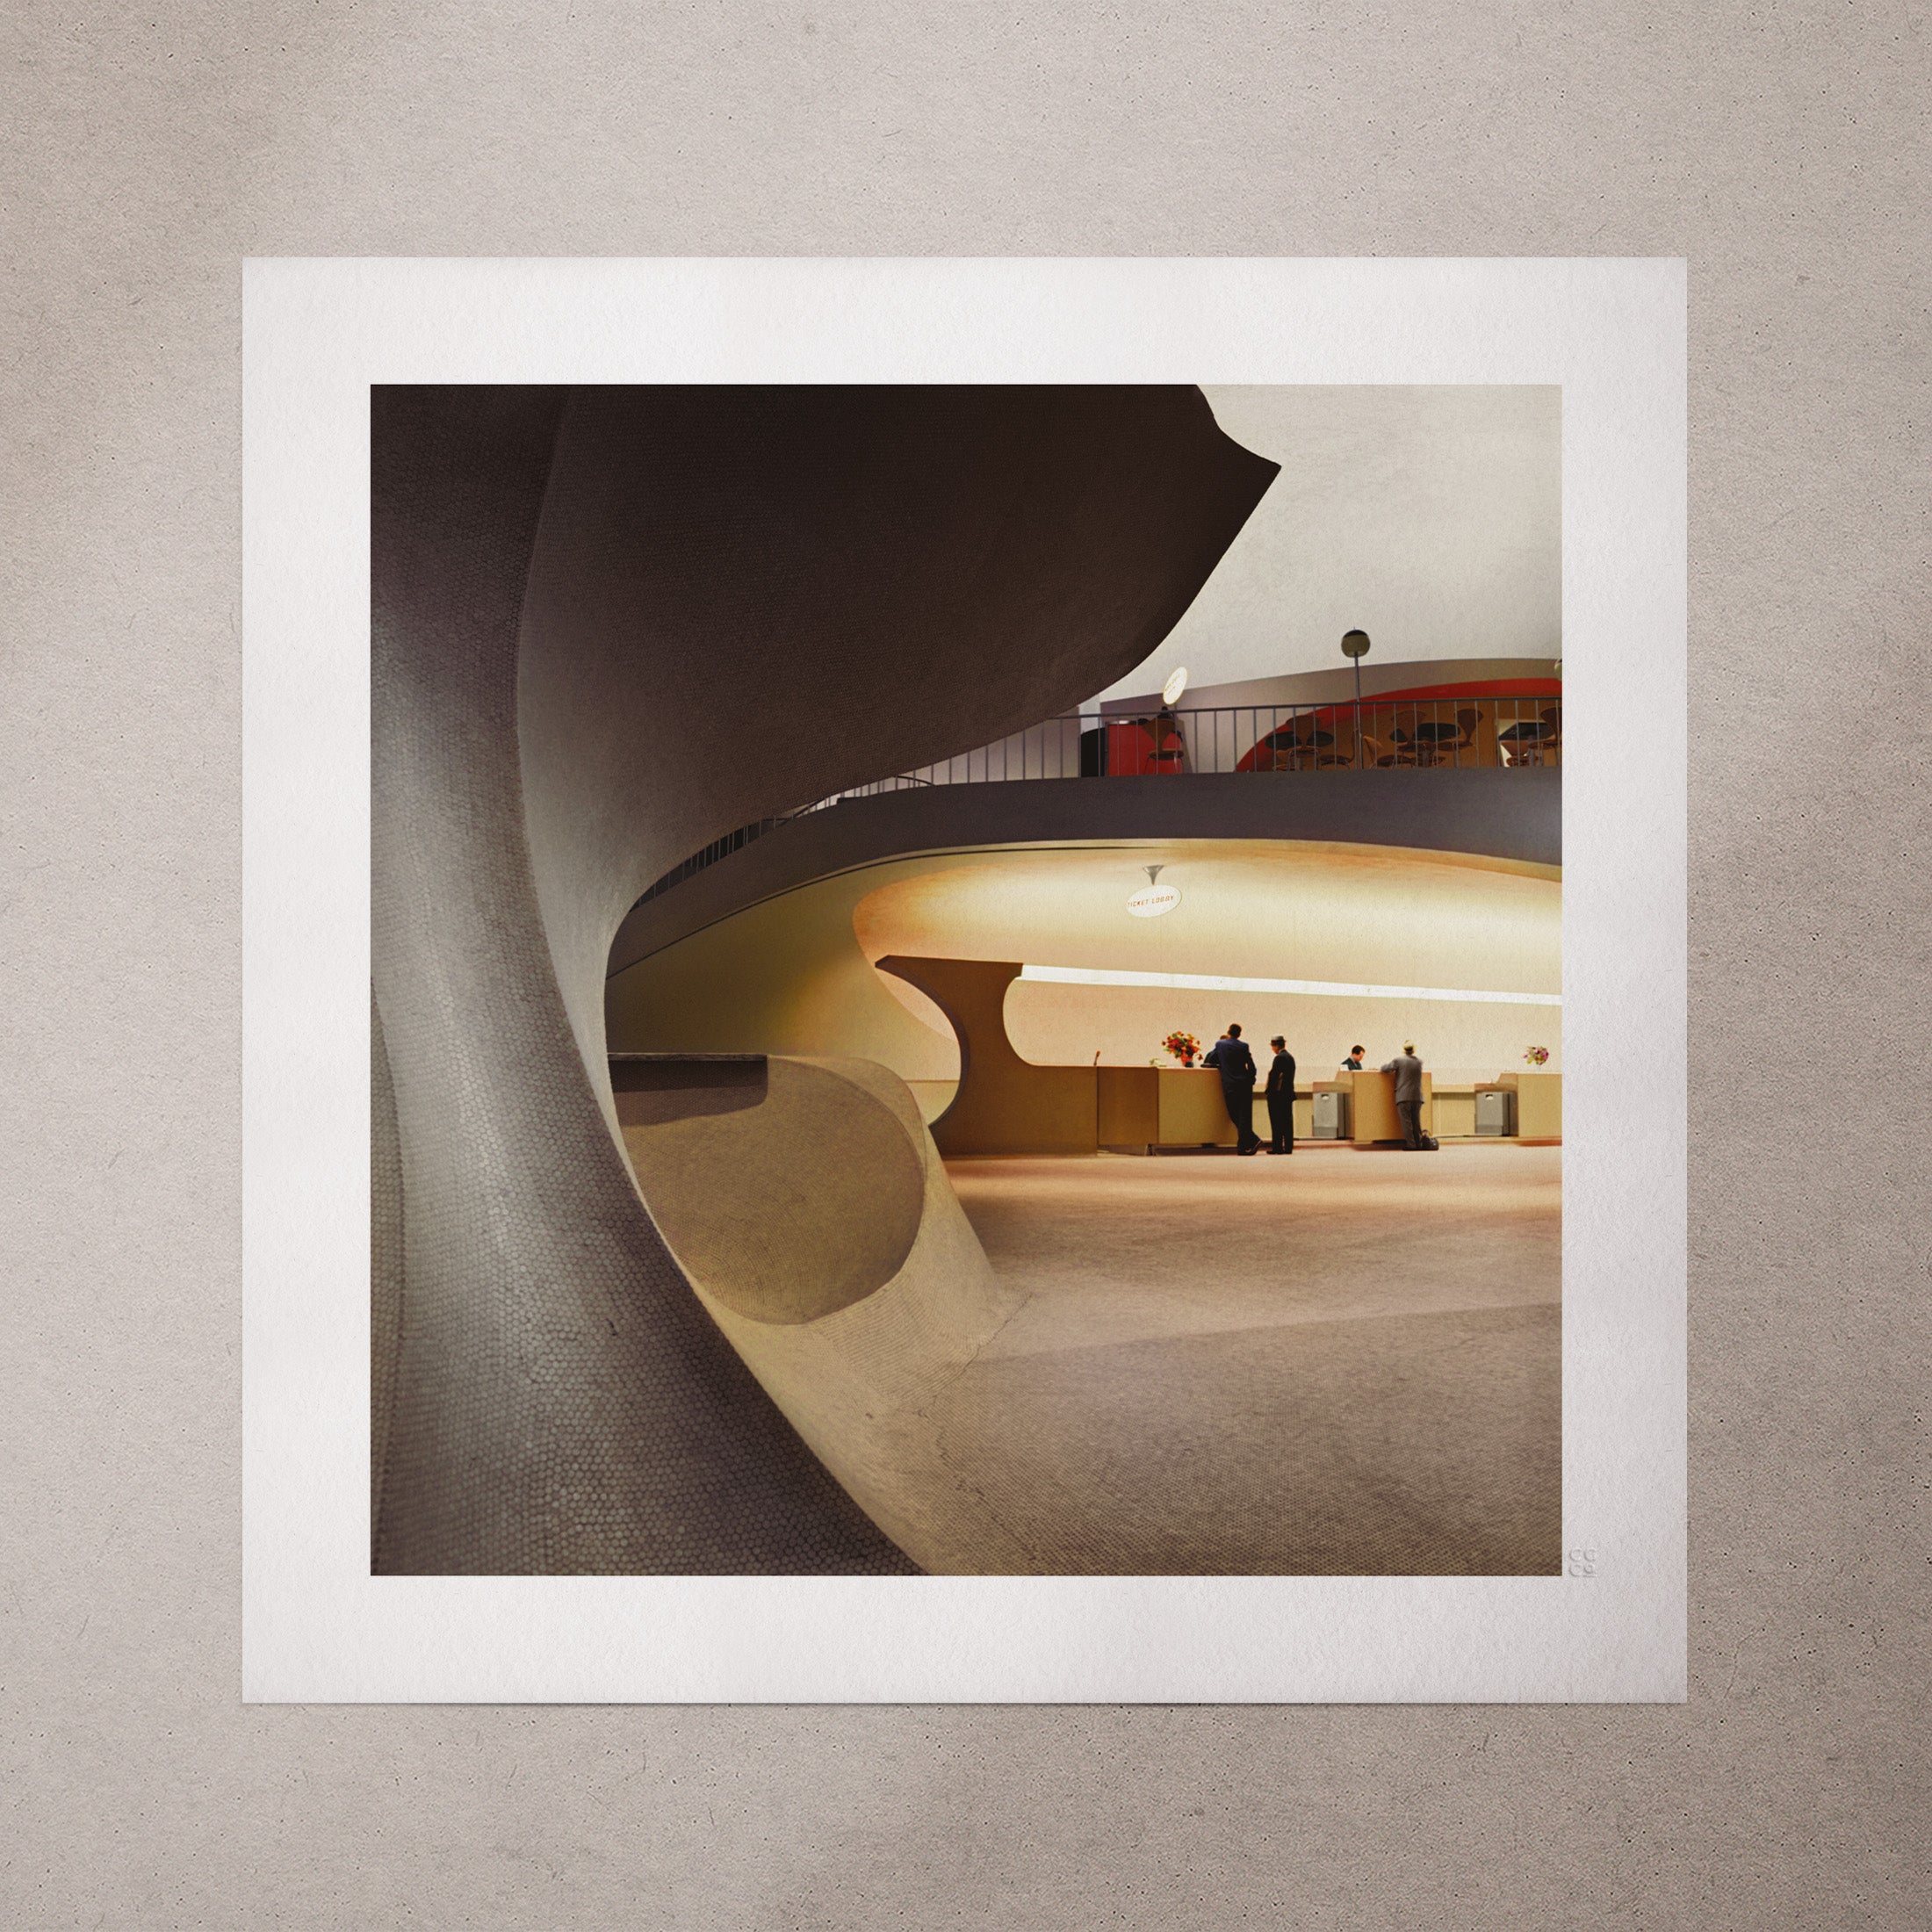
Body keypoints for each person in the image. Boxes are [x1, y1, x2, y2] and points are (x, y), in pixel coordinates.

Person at [1203, 1022, 1261, 1154]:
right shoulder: (1244, 1046)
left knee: (1234, 1114)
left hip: (1230, 1084)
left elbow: (1211, 1059)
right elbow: (1251, 1066)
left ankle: (1250, 1141)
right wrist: (1251, 1079)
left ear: (1228, 1032)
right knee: (1244, 1116)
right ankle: (1246, 1144)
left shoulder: (1220, 1045)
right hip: (1245, 1085)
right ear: (1239, 1034)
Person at [1381, 1041, 1428, 1150]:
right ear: (1413, 1050)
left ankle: (1411, 1145)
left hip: (1404, 1096)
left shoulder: (1399, 1060)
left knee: (1406, 1122)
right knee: (1416, 1122)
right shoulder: (1419, 1062)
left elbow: (1386, 1069)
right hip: (1417, 1096)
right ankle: (1419, 1144)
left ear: (1404, 1050)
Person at [1265, 1035, 1296, 1154]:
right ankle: (1288, 1147)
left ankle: (1277, 1147)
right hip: (1288, 1094)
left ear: (1276, 1046)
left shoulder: (1279, 1058)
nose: (1272, 1049)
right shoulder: (1290, 1057)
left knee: (1276, 1122)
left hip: (1277, 1096)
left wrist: (1268, 1092)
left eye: (1273, 1046)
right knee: (1287, 1122)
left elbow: (1274, 1077)